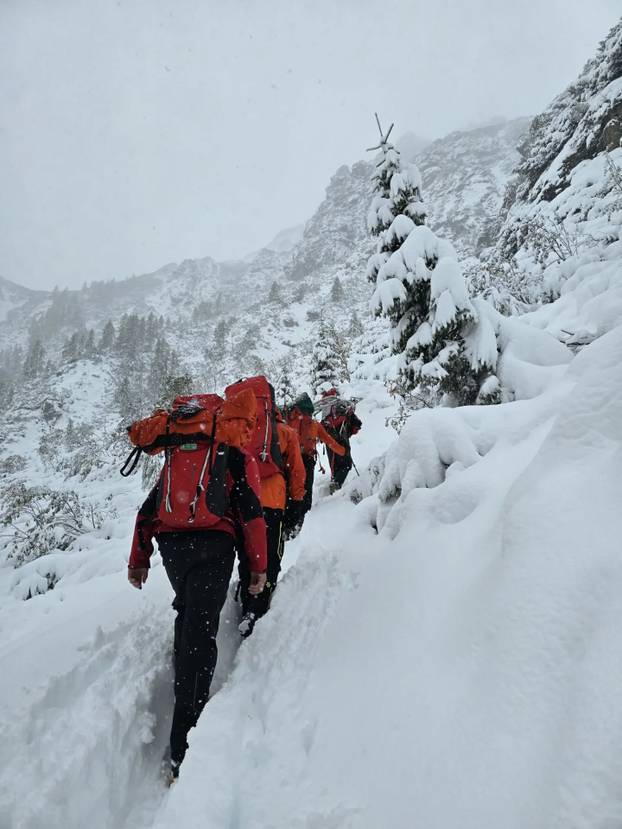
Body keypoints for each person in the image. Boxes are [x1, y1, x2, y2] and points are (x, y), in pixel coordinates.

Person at [127, 390, 267, 780]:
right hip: (214, 545)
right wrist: (257, 567)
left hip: (173, 545)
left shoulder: (177, 454)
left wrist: (139, 559)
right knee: (200, 631)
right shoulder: (228, 453)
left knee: (188, 611)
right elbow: (252, 515)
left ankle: (183, 676)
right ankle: (184, 745)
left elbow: (149, 509)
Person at [238, 413, 305, 637]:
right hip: (272, 502)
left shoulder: (241, 428)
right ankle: (259, 607)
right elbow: (297, 470)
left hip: (243, 501)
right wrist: (297, 503)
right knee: (270, 555)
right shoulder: (284, 432)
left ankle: (246, 605)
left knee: (248, 554)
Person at [286, 392, 346, 527]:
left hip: (291, 460)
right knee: (306, 490)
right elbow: (329, 441)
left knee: (293, 490)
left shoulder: (290, 421)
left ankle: (291, 521)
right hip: (307, 460)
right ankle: (303, 520)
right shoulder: (314, 425)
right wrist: (343, 451)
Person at [319, 388, 362, 491]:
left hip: (330, 443)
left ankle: (335, 483)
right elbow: (356, 425)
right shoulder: (344, 411)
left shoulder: (326, 416)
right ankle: (337, 485)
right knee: (346, 464)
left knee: (335, 465)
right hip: (342, 442)